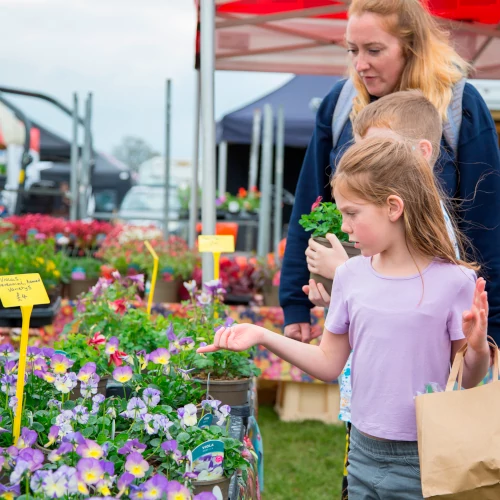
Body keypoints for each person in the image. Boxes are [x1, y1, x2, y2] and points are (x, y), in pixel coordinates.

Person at [199, 136, 492, 499]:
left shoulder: (455, 281)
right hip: (361, 453)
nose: (345, 226)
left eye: (352, 213)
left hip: (427, 458)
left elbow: (467, 380)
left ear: (393, 207)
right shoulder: (350, 276)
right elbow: (328, 363)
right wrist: (261, 335)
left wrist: (478, 348)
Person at [279, 0, 500, 345]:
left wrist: (492, 328)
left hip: (436, 320)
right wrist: (296, 302)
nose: (360, 64)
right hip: (359, 312)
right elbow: (310, 200)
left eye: (374, 50)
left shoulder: (460, 106)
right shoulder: (340, 104)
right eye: (352, 50)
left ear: (411, 47)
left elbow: (487, 224)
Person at [302, 90, 460, 500]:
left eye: (379, 148)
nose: (366, 159)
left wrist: (345, 274)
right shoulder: (369, 257)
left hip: (414, 439)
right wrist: (345, 293)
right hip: (370, 427)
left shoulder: (442, 256)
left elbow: (421, 305)